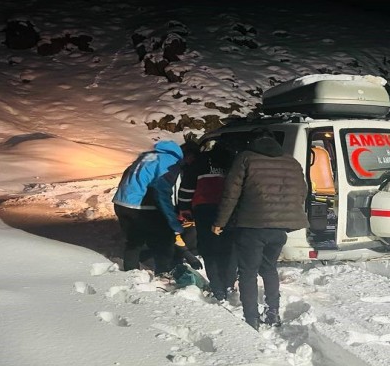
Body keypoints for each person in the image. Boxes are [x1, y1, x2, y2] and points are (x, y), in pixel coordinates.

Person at [212, 128, 309, 330]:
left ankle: (251, 318)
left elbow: (231, 193)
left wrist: (220, 222)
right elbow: (302, 191)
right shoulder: (291, 161)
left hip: (252, 225)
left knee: (248, 272)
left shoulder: (246, 158)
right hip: (280, 228)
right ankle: (272, 311)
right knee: (269, 268)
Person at [112, 139, 197, 274]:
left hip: (122, 202)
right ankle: (164, 273)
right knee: (163, 240)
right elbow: (161, 192)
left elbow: (127, 174)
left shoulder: (147, 156)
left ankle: (131, 274)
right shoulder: (171, 162)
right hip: (142, 205)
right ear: (189, 155)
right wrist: (173, 221)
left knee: (134, 240)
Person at [177, 139, 236, 301]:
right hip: (228, 210)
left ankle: (217, 288)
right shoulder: (233, 161)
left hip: (204, 210)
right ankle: (229, 285)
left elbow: (186, 189)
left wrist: (184, 208)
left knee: (209, 250)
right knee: (228, 248)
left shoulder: (200, 161)